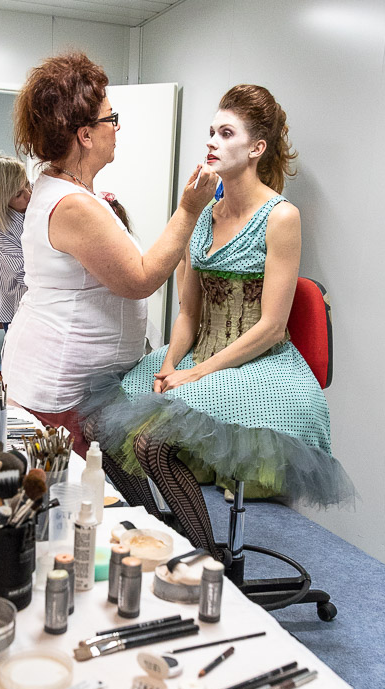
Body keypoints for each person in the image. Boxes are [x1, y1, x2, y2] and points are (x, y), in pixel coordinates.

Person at [85, 84, 354, 553]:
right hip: (198, 356)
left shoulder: (280, 216)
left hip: (257, 366)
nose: (210, 141)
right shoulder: (205, 213)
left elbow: (271, 326)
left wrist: (194, 373)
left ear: (256, 148)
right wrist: (170, 364)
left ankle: (207, 562)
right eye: (210, 131)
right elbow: (189, 310)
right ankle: (160, 533)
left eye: (224, 132)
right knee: (100, 430)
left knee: (155, 445)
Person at [1, 52, 217, 455]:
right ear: (85, 134)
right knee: (61, 494)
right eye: (110, 119)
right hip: (60, 387)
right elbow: (139, 280)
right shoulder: (73, 205)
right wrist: (189, 209)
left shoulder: (66, 189)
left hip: (67, 378)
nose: (117, 129)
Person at [0, 154, 32, 331]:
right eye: (18, 194)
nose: (29, 194)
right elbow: (23, 273)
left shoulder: (34, 194)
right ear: (0, 199)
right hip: (17, 302)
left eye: (27, 184)